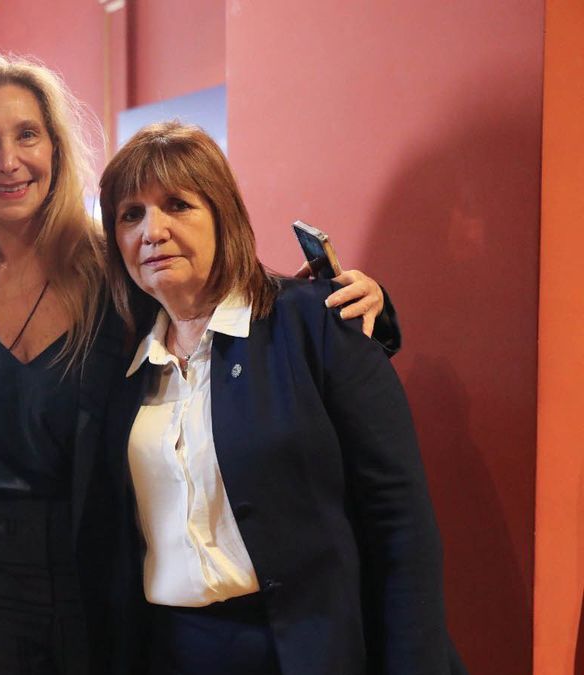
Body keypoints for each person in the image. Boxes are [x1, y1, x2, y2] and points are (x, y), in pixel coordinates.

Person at [0, 56, 395, 675]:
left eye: (27, 134)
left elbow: (223, 292)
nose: (8, 160)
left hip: (98, 592)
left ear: (57, 150)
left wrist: (362, 308)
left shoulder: (112, 278)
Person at [97, 122, 452, 674]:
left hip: (303, 649)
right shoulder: (119, 364)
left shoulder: (315, 321)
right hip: (171, 650)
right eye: (130, 214)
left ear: (223, 215)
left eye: (177, 205)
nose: (153, 231)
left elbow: (400, 522)